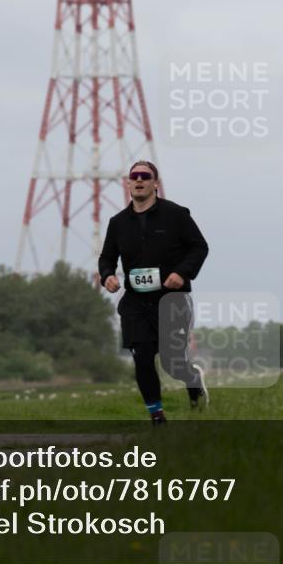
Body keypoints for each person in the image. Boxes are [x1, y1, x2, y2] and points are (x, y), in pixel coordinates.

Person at [98, 160, 209, 424]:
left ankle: (193, 382)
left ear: (155, 183)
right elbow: (106, 257)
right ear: (128, 183)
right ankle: (157, 417)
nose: (139, 180)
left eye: (145, 176)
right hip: (136, 302)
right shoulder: (118, 222)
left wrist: (181, 273)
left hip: (172, 300)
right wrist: (107, 276)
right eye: (133, 176)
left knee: (173, 362)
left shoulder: (176, 215)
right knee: (143, 358)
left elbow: (199, 247)